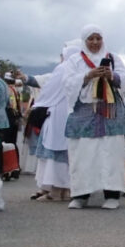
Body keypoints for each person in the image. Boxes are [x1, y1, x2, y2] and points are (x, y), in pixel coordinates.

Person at [63, 24, 125, 209]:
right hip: (84, 115)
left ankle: (112, 195)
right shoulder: (75, 60)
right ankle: (80, 195)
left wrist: (113, 76)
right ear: (84, 41)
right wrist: (87, 75)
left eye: (98, 38)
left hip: (110, 113)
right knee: (83, 154)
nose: (95, 42)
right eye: (91, 39)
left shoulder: (113, 58)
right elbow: (68, 83)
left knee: (111, 154)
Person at [32, 44, 82, 201]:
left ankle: (54, 190)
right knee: (70, 153)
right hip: (76, 115)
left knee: (54, 152)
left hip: (58, 115)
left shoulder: (63, 68)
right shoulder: (81, 69)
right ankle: (66, 190)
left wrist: (37, 106)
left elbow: (48, 90)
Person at [2, 72, 22, 158]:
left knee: (6, 143)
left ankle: (9, 166)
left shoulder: (6, 90)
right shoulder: (15, 90)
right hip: (15, 118)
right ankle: (15, 165)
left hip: (8, 118)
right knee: (13, 143)